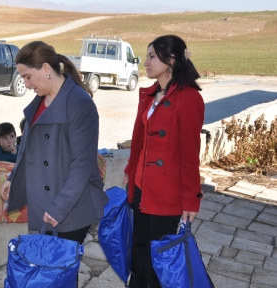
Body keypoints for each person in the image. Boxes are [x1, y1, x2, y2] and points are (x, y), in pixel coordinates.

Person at [1, 41, 108, 262]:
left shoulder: (79, 103)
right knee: (51, 272)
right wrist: (14, 177)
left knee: (60, 274)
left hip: (70, 207)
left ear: (47, 69)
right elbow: (29, 146)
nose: (26, 84)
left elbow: (83, 164)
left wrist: (59, 208)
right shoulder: (42, 99)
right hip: (47, 200)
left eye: (28, 76)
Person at [123, 35, 205, 288]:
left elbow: (190, 154)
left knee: (161, 258)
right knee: (138, 252)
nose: (145, 62)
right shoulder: (149, 95)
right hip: (140, 188)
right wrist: (130, 169)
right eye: (146, 56)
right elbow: (139, 140)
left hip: (166, 194)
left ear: (170, 61)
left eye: (151, 56)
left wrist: (191, 199)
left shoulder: (190, 99)